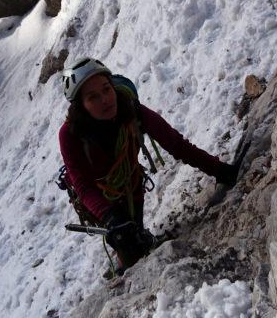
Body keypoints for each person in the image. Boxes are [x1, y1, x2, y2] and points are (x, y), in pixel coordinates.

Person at [59, 57, 239, 271]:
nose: (105, 99)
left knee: (133, 237)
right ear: (81, 106)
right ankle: (124, 261)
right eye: (93, 97)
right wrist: (110, 217)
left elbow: (176, 144)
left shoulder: (130, 109)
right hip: (98, 196)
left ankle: (132, 249)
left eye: (107, 89)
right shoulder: (70, 135)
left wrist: (219, 170)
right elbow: (83, 185)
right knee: (127, 244)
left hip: (130, 186)